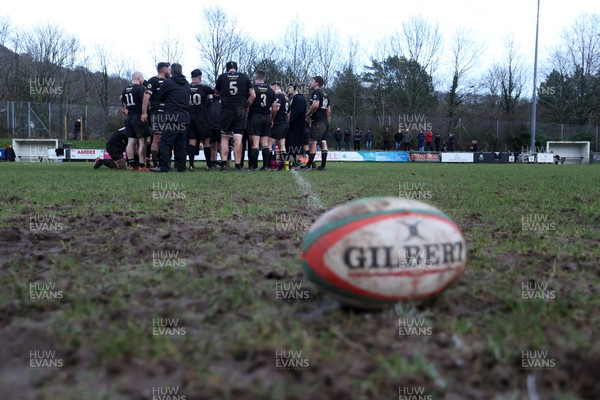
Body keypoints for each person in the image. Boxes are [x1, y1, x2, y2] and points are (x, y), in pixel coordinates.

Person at [214, 61, 256, 172]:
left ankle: (224, 165)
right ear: (236, 68)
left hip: (226, 110)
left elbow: (216, 92)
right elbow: (253, 95)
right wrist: (246, 105)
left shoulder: (222, 77)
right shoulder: (244, 77)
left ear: (227, 69)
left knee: (224, 137)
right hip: (240, 110)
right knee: (238, 138)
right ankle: (238, 165)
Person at [150, 63, 190, 173]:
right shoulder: (187, 83)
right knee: (181, 144)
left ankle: (164, 167)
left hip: (171, 117)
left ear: (171, 71)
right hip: (184, 118)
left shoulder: (168, 82)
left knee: (166, 143)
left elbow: (159, 97)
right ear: (181, 71)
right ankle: (181, 167)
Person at [142, 62, 170, 166]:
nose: (170, 72)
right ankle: (155, 164)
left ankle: (164, 162)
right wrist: (144, 113)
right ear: (164, 70)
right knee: (157, 138)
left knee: (166, 138)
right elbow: (146, 97)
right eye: (169, 70)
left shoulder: (170, 82)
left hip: (169, 113)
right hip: (157, 113)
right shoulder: (153, 80)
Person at [248, 70, 275, 171]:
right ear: (265, 78)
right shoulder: (271, 90)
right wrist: (272, 118)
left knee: (255, 143)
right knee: (264, 143)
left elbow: (249, 102)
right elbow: (275, 108)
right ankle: (265, 166)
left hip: (255, 116)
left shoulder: (253, 89)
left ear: (256, 77)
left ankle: (254, 166)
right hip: (266, 117)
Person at [187, 69, 215, 171]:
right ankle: (209, 165)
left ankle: (191, 165)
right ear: (200, 77)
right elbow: (216, 91)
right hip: (202, 118)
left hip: (190, 117)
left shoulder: (187, 87)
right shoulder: (204, 88)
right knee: (206, 141)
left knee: (192, 141)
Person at [121, 71, 149, 170]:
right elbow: (145, 101)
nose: (143, 80)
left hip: (129, 117)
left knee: (131, 141)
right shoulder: (141, 89)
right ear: (138, 78)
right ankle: (142, 165)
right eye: (142, 78)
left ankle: (132, 165)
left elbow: (123, 102)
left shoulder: (125, 90)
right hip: (139, 116)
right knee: (142, 141)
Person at [302, 76, 328, 170]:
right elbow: (328, 110)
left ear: (317, 83)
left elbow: (315, 105)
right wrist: (327, 121)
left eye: (312, 81)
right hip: (324, 121)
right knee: (323, 142)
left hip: (318, 120)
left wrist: (307, 114)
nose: (311, 82)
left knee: (312, 142)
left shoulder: (316, 92)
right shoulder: (325, 94)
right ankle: (323, 165)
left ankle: (308, 165)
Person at [286, 83, 307, 168]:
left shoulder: (299, 98)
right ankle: (294, 162)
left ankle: (299, 162)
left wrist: (290, 119)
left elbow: (297, 112)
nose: (288, 89)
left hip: (298, 126)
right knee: (292, 143)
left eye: (290, 87)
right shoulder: (292, 98)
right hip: (293, 125)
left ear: (295, 89)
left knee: (297, 144)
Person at [269, 82, 289, 169]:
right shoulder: (286, 97)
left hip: (278, 122)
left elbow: (275, 108)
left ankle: (271, 164)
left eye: (271, 88)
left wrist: (272, 119)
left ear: (275, 87)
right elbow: (289, 113)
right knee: (282, 144)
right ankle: (285, 165)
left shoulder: (278, 95)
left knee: (268, 144)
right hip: (285, 123)